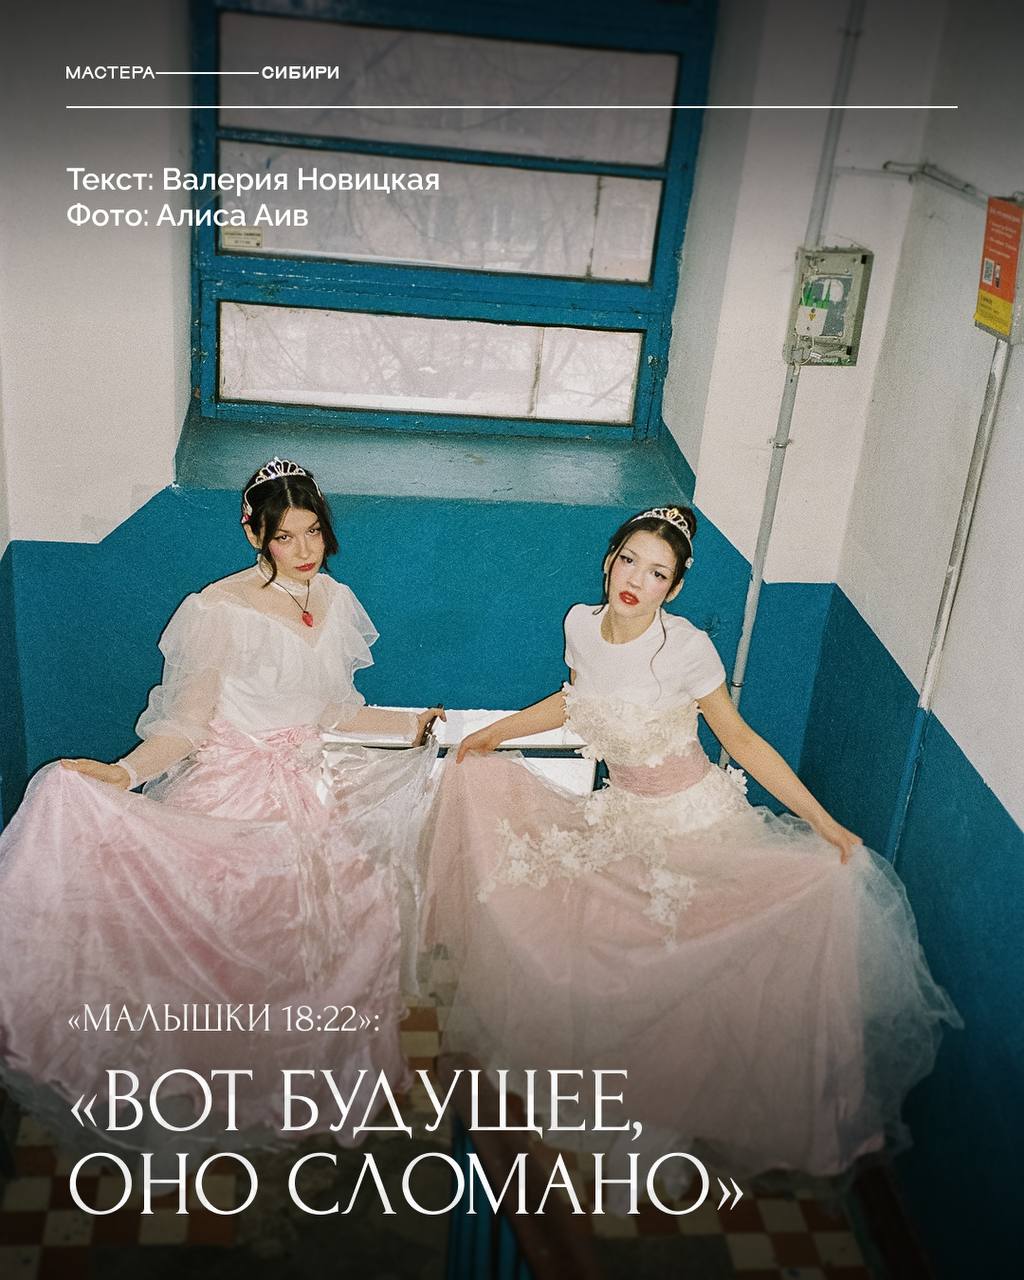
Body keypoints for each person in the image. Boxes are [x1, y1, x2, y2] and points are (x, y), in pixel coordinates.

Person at [424, 504, 960, 1191]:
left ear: (673, 588)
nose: (636, 581)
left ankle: (663, 1122)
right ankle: (616, 1103)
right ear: (609, 560)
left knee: (684, 978)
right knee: (609, 966)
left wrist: (822, 822)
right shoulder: (580, 624)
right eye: (629, 561)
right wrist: (494, 735)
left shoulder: (686, 649)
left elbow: (739, 739)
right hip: (621, 820)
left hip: (696, 826)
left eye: (657, 573)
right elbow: (573, 700)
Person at [0, 458, 443, 1151]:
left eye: (313, 531)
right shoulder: (216, 611)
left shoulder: (334, 600)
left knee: (351, 918)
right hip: (233, 792)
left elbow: (332, 711)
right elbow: (184, 727)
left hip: (306, 791)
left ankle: (294, 1087)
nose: (303, 550)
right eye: (284, 536)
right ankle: (209, 1091)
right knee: (233, 942)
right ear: (253, 533)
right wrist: (122, 773)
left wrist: (409, 724)